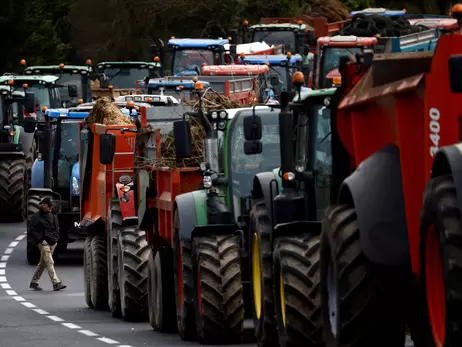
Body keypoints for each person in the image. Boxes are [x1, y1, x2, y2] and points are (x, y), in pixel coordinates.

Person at [29, 197, 67, 291]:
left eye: (51, 206)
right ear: (44, 205)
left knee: (43, 263)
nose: (50, 208)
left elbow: (56, 227)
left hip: (53, 242)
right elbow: (31, 230)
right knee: (50, 262)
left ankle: (34, 282)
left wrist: (56, 238)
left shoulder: (53, 215)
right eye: (49, 206)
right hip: (44, 243)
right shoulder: (36, 217)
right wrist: (41, 239)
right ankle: (56, 283)